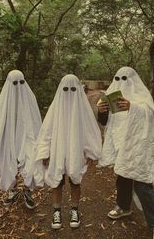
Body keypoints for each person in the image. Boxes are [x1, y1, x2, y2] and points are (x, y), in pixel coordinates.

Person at [97, 67, 154, 239]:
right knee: (123, 176)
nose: (121, 82)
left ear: (133, 79)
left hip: (139, 144)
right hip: (121, 143)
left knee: (142, 182)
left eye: (125, 78)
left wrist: (132, 106)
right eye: (118, 78)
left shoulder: (142, 97)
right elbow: (105, 123)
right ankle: (123, 207)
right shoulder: (111, 94)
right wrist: (101, 111)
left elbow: (152, 117)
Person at [30, 74, 102, 229]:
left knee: (76, 180)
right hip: (58, 150)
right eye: (65, 89)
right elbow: (46, 131)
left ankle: (74, 209)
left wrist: (91, 152)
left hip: (76, 151)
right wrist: (44, 152)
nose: (69, 92)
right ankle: (57, 211)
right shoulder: (55, 108)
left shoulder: (83, 109)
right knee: (57, 181)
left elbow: (90, 130)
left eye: (73, 89)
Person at [0, 70, 42, 209]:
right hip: (8, 138)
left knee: (30, 164)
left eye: (21, 82)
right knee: (6, 163)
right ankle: (13, 190)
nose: (18, 86)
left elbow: (36, 119)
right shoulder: (3, 101)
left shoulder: (30, 98)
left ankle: (28, 191)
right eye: (14, 83)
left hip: (27, 137)